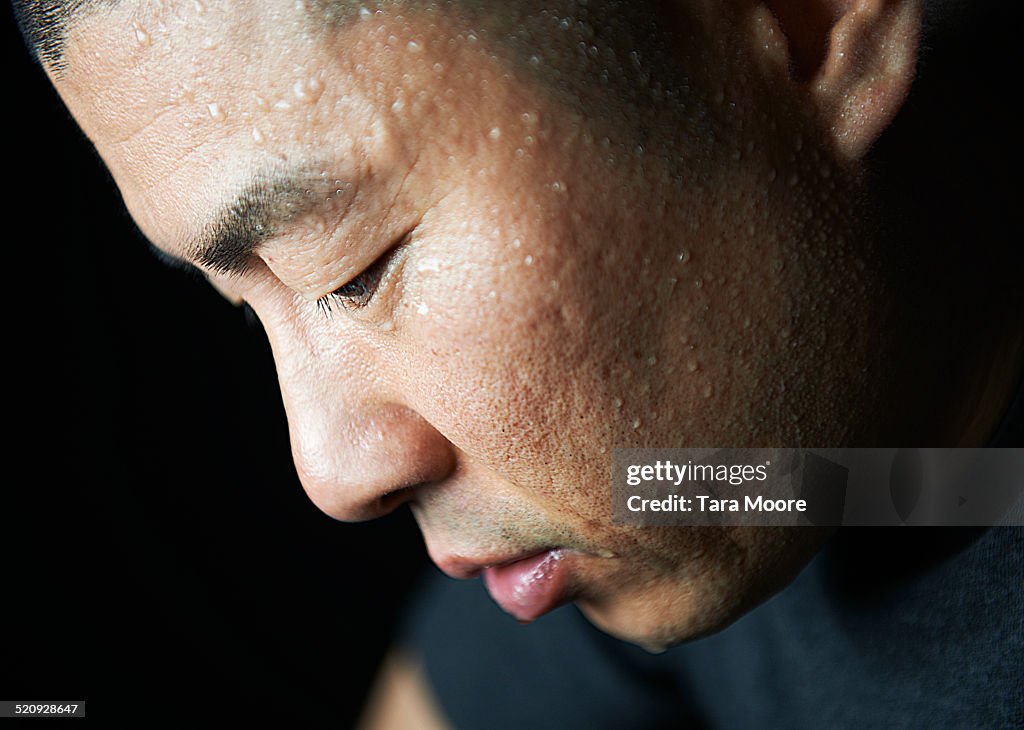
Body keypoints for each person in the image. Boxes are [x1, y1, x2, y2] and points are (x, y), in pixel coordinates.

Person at [13, 0, 1022, 727]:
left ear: (805, 24)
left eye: (351, 268)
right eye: (243, 308)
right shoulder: (720, 476)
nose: (333, 470)